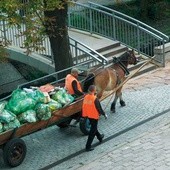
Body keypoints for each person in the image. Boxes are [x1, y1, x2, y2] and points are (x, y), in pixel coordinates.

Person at [82, 85, 107, 151]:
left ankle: (100, 137)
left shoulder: (86, 97)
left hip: (89, 116)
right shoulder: (95, 99)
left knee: (94, 127)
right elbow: (99, 109)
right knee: (92, 131)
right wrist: (104, 114)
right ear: (94, 91)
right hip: (94, 116)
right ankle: (88, 146)